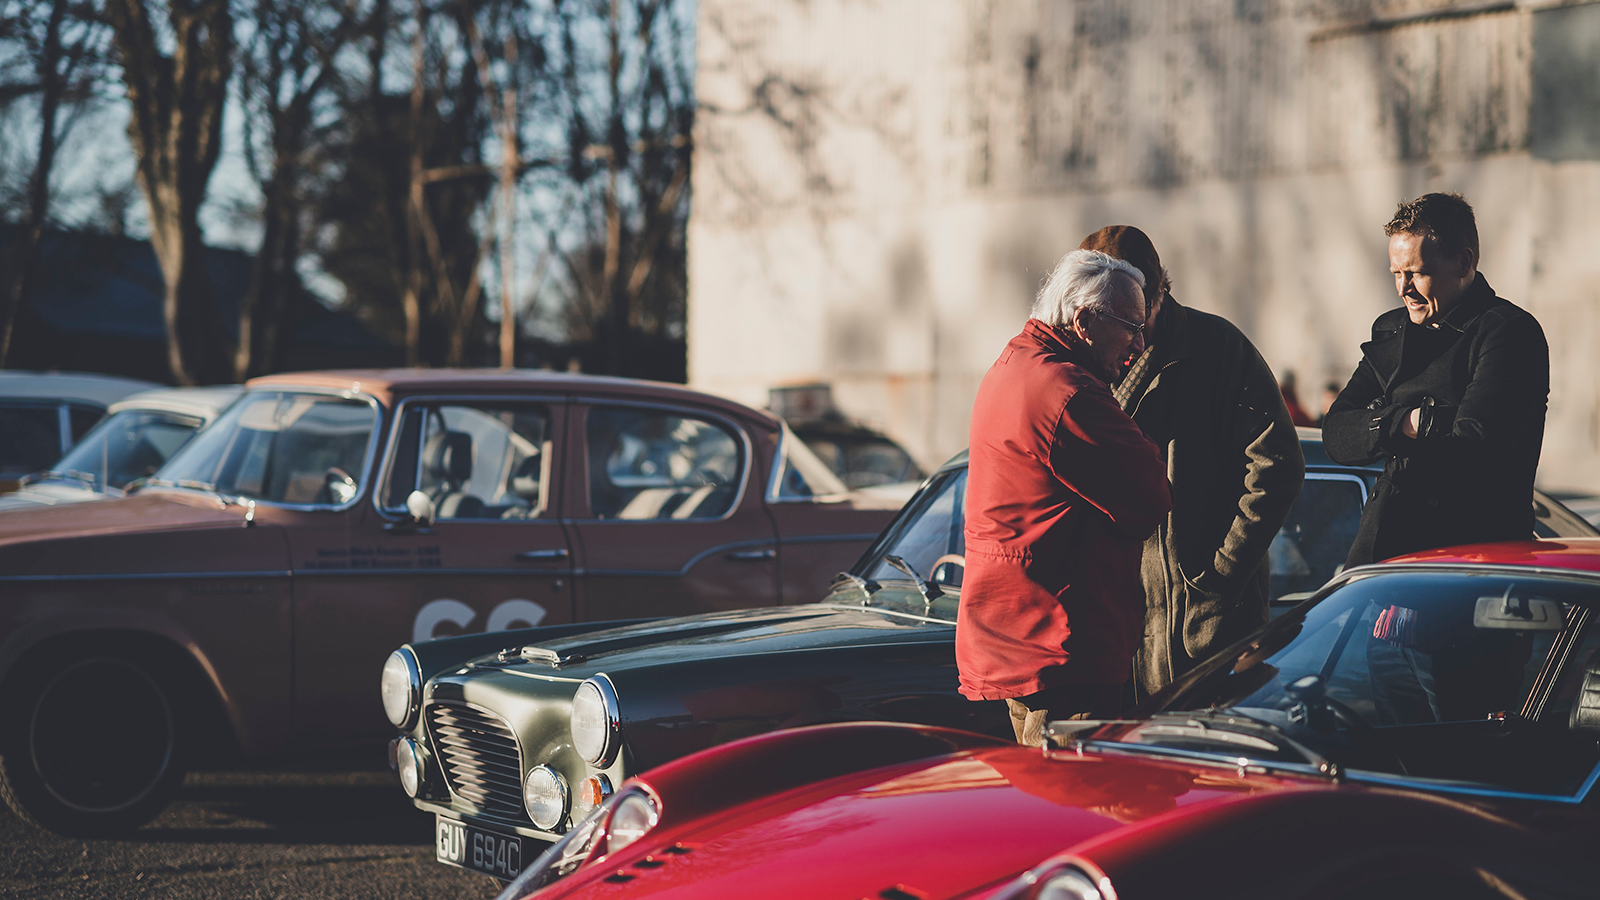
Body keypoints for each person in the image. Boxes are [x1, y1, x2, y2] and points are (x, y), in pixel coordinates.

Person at [1079, 226, 1304, 700]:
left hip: (1207, 629)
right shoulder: (1081, 362)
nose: (1131, 336)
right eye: (1115, 320)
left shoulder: (1219, 350)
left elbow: (1277, 463)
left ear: (1159, 294)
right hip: (1117, 633)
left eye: (1139, 316)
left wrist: (1219, 576)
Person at [959, 249, 1171, 746]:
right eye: (1130, 327)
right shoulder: (1069, 393)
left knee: (1040, 809)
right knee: (1072, 805)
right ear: (1083, 321)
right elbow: (1152, 495)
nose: (1140, 344)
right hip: (1061, 646)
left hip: (1016, 636)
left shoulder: (1013, 365)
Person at [1323, 192, 1549, 566]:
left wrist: (1382, 425)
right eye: (1396, 273)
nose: (1403, 289)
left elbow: (1474, 452)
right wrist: (1411, 421)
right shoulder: (1391, 331)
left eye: (1416, 273)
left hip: (1467, 566)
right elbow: (1336, 433)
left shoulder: (1508, 333)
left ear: (1463, 262)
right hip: (1382, 556)